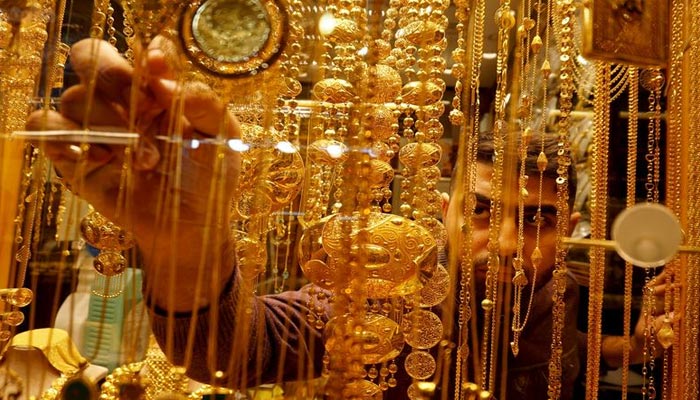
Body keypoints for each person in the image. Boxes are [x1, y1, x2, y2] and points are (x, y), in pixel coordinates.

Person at [27, 38, 672, 399]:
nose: (505, 243)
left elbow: (554, 356)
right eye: (480, 211)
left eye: (538, 220)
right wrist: (186, 248)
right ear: (444, 210)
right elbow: (236, 349)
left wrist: (633, 346)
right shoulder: (385, 293)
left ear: (574, 227)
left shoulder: (565, 289)